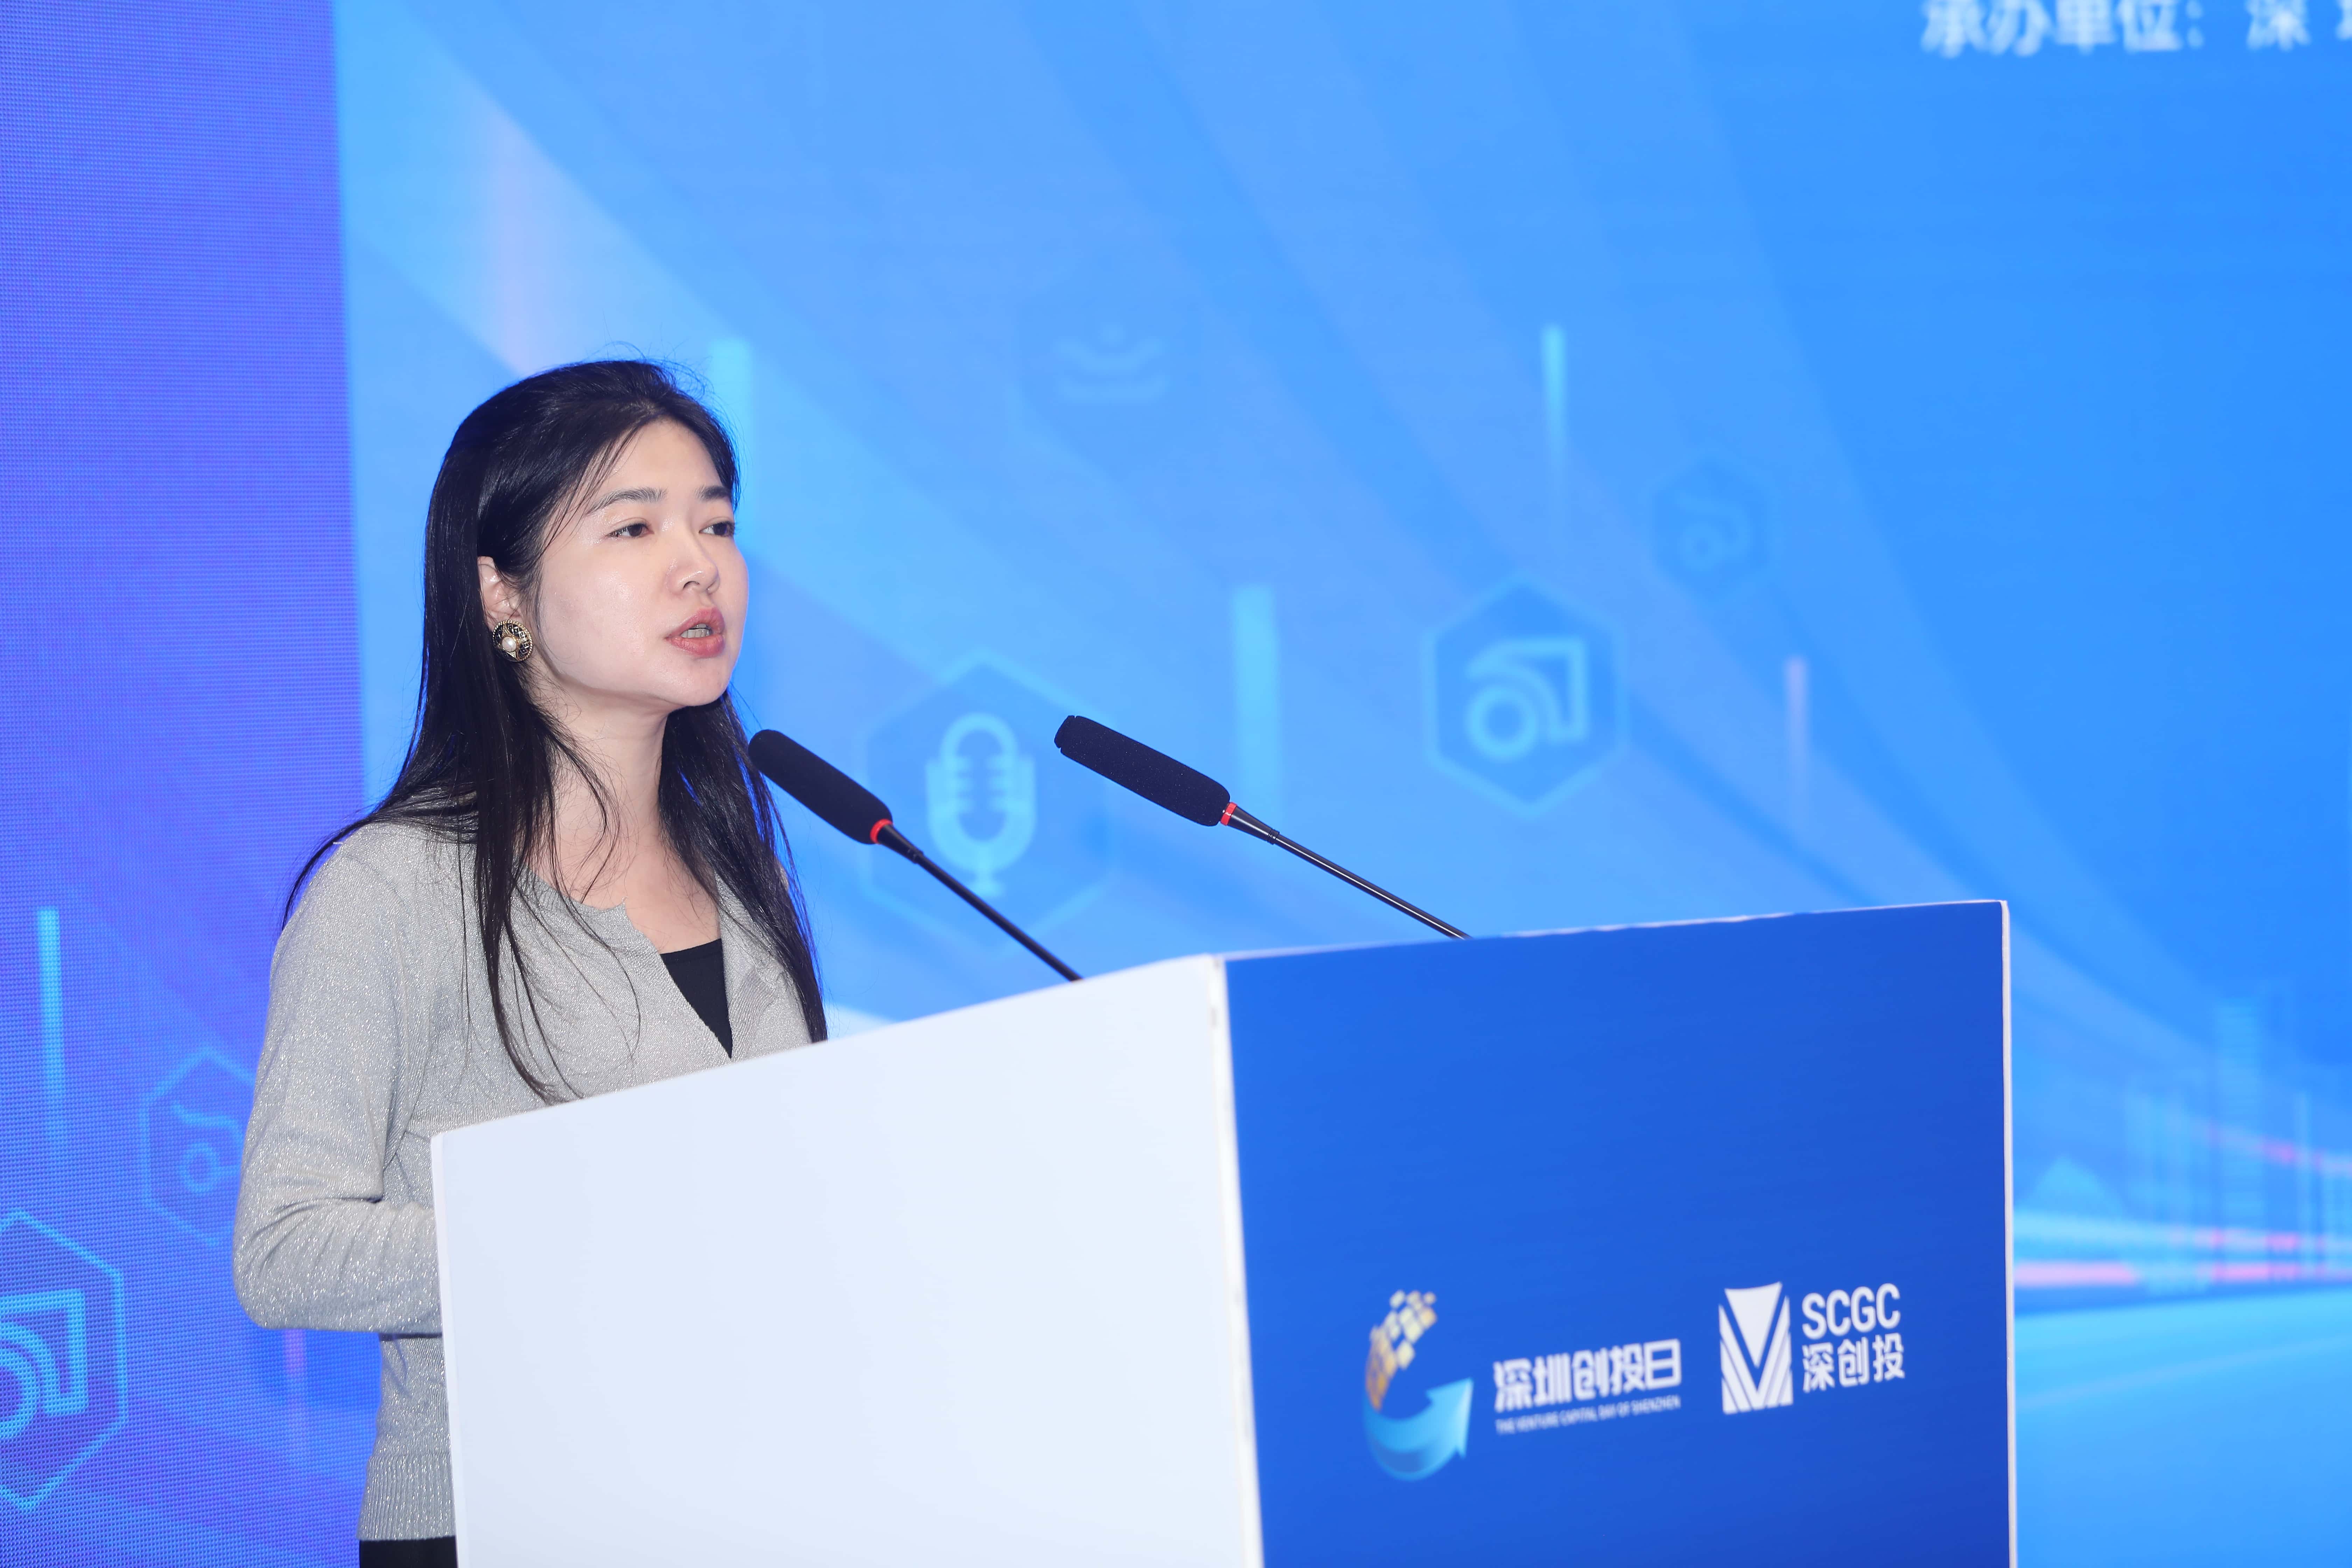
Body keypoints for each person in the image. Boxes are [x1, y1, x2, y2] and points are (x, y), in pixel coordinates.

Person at [234, 360, 826, 1567]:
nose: (698, 565)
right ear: (501, 591)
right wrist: (595, 1224)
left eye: (717, 524)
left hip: (755, 1498)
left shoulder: (742, 876)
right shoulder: (395, 889)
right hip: (504, 1518)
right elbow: (284, 1251)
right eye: (635, 528)